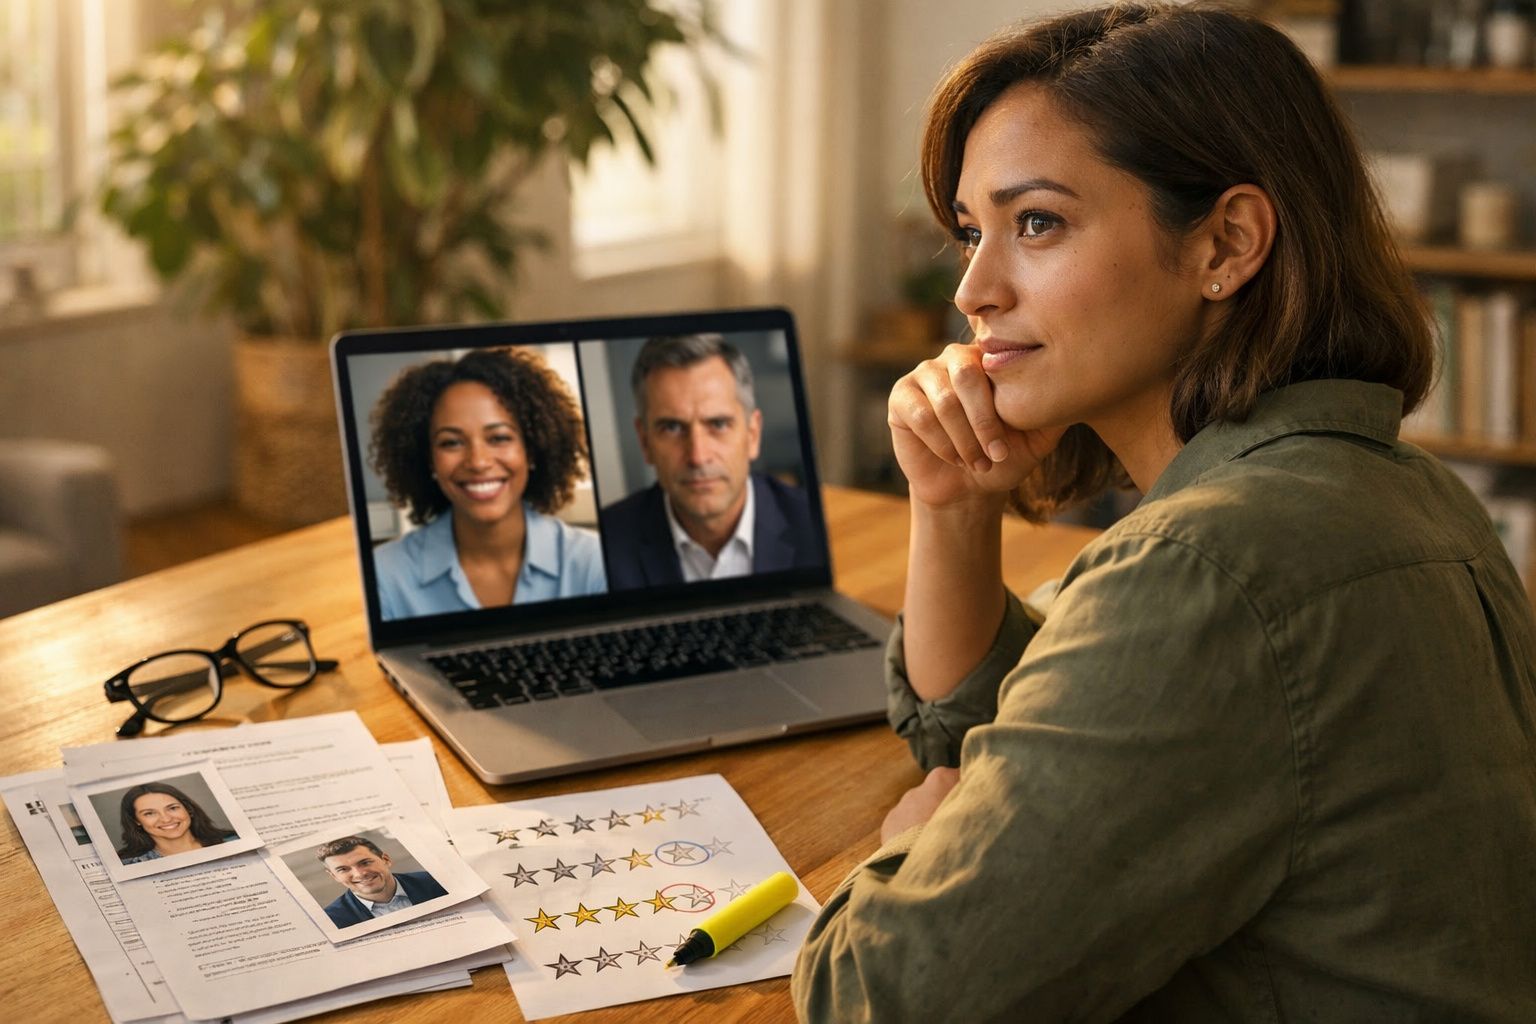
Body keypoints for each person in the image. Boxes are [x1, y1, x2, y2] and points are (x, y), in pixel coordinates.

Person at [792, 4, 1536, 1021]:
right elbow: (1010, 732)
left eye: (1038, 223)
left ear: (1226, 242)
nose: (974, 287)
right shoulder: (1400, 491)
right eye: (971, 230)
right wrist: (955, 508)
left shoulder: (1211, 565)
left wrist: (908, 841)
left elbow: (878, 994)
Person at [369, 347, 606, 619]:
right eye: (451, 442)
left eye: (499, 438)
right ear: (429, 461)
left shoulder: (593, 563)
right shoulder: (386, 575)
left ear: (532, 450)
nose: (478, 462)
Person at [601, 334, 820, 588]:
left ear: (753, 434)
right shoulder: (606, 544)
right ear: (645, 442)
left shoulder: (813, 525)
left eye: (718, 424)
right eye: (672, 427)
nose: (698, 456)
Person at [316, 835, 447, 928]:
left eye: (365, 862)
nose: (360, 874)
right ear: (334, 876)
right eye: (343, 869)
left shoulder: (437, 882)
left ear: (386, 859)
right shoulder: (332, 919)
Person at [116, 782, 238, 864]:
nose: (166, 819)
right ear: (136, 820)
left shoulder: (234, 841)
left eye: (172, 808)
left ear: (188, 809)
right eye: (149, 813)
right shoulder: (128, 864)